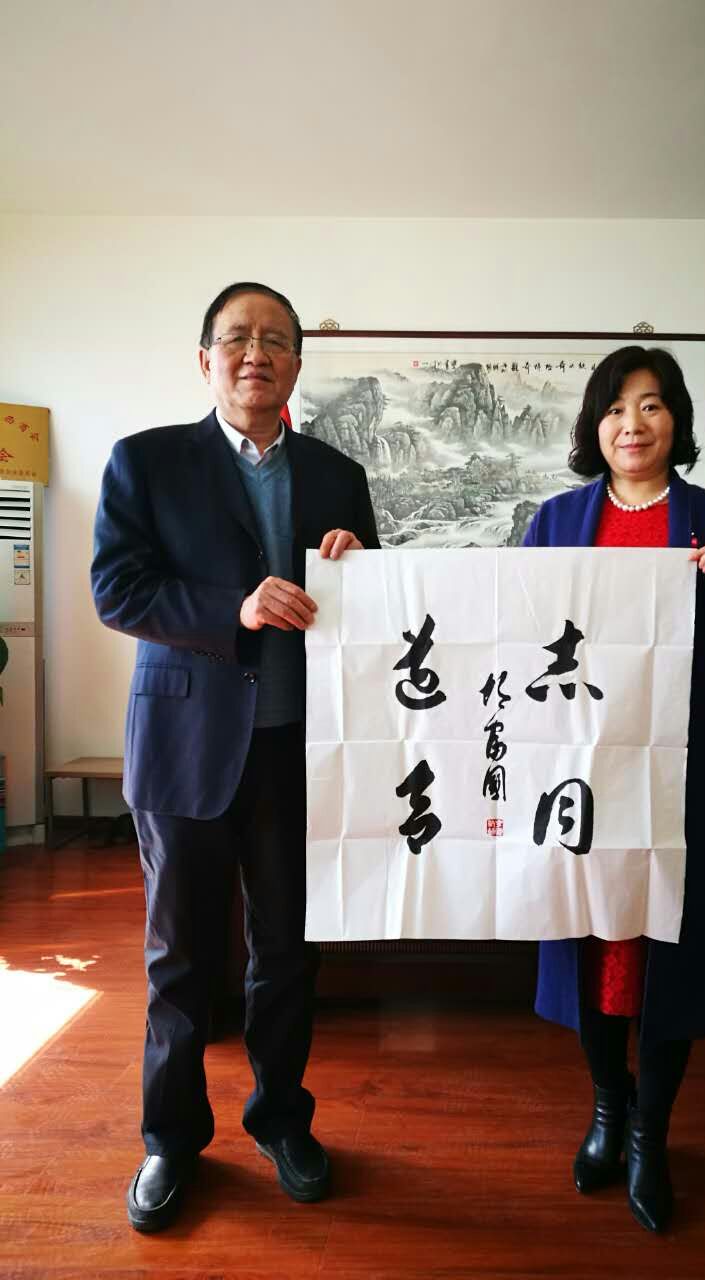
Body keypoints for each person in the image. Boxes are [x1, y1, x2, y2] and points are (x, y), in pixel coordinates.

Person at [91, 282, 380, 1233]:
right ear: (205, 359)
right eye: (237, 338)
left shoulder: (337, 472)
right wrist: (236, 608)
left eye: (275, 340)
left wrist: (355, 562)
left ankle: (281, 1119)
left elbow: (376, 601)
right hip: (184, 748)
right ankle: (170, 1140)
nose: (256, 353)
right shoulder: (145, 460)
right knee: (180, 958)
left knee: (288, 953)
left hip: (302, 749)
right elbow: (118, 591)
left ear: (296, 363)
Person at [523, 345, 705, 1233]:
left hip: (682, 770)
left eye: (650, 405)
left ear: (676, 419)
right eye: (614, 409)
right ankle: (608, 1109)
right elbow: (514, 635)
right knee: (595, 941)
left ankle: (651, 1136)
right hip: (582, 773)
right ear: (593, 427)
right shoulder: (557, 519)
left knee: (671, 944)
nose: (631, 425)